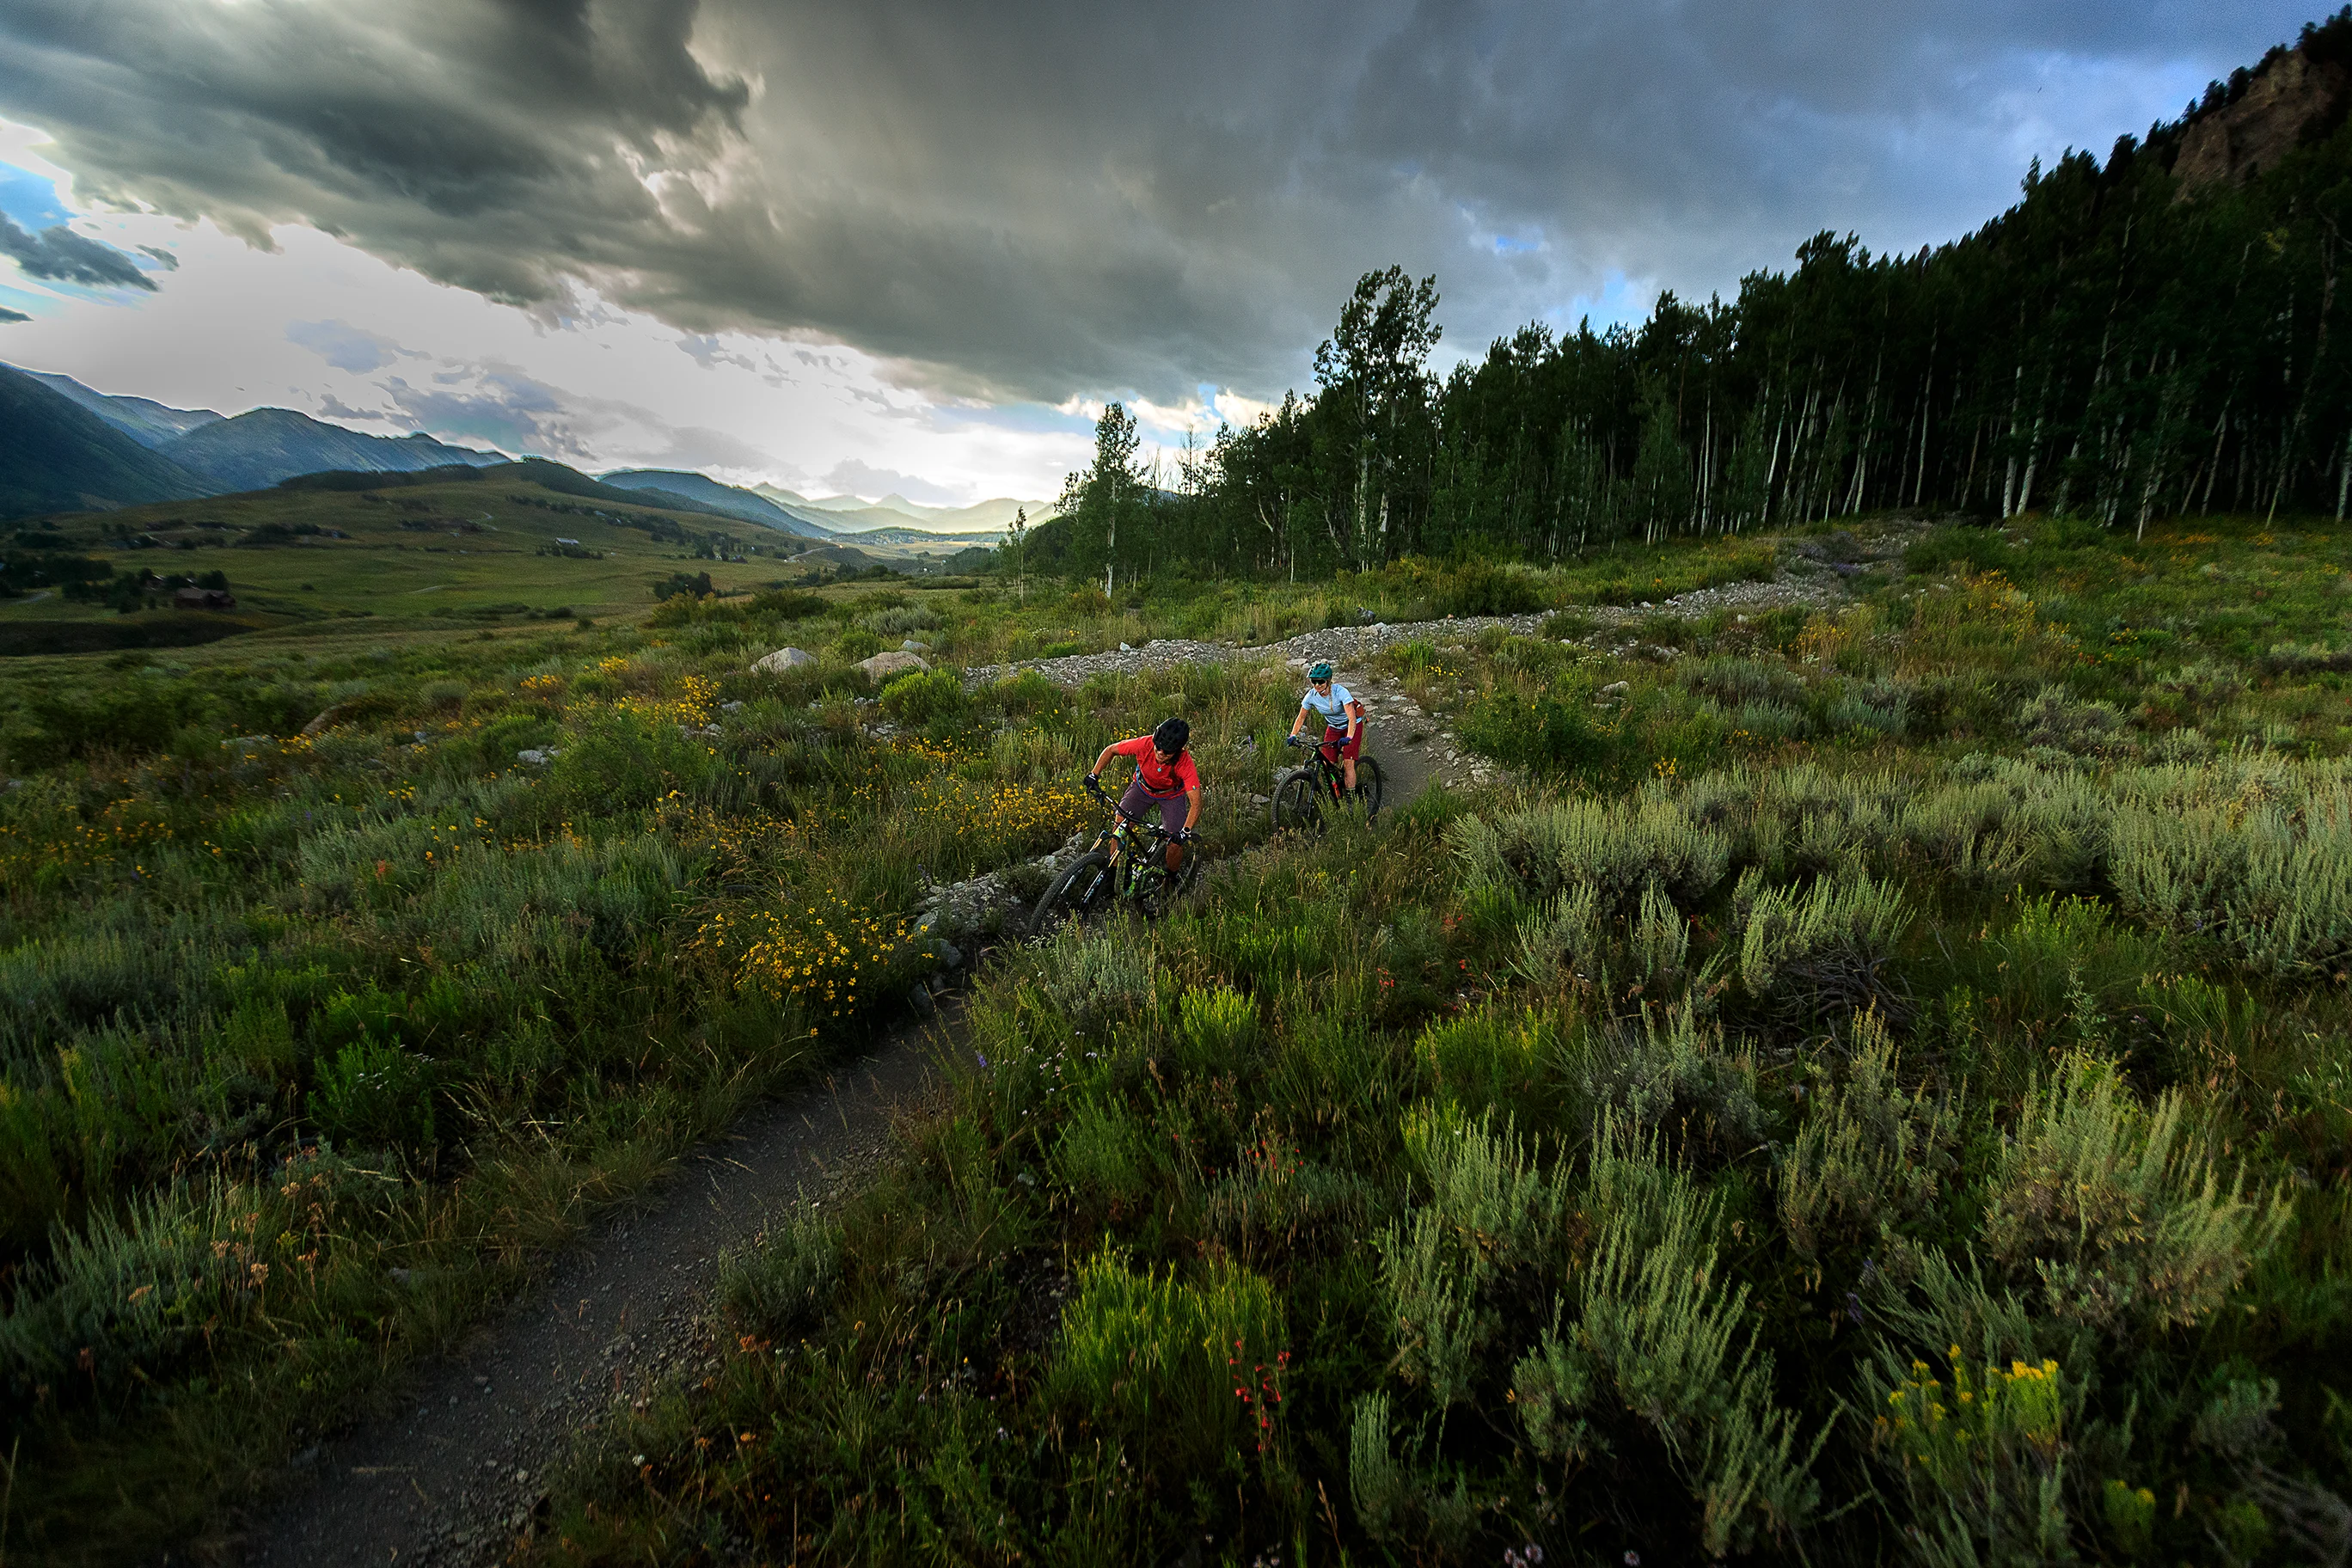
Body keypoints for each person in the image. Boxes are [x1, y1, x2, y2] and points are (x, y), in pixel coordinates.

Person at [1086, 716, 1202, 873]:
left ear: (1179, 750)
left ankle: (1170, 878)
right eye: (1158, 747)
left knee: (1174, 843)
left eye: (1167, 751)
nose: (1160, 753)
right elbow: (1111, 750)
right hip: (1142, 788)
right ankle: (1112, 873)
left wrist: (1185, 832)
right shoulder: (1144, 744)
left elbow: (1196, 804)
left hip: (1170, 797)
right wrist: (1094, 774)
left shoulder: (1185, 764)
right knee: (1120, 825)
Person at [1289, 661, 1365, 793]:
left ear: (1328, 681)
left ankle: (1351, 799)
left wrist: (1349, 737)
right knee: (1326, 763)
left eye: (1321, 682)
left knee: (1348, 763)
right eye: (1314, 682)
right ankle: (1335, 792)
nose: (1317, 685)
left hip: (1351, 726)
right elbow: (1301, 717)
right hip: (1333, 727)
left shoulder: (1340, 692)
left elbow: (1352, 717)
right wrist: (1293, 735)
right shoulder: (1311, 696)